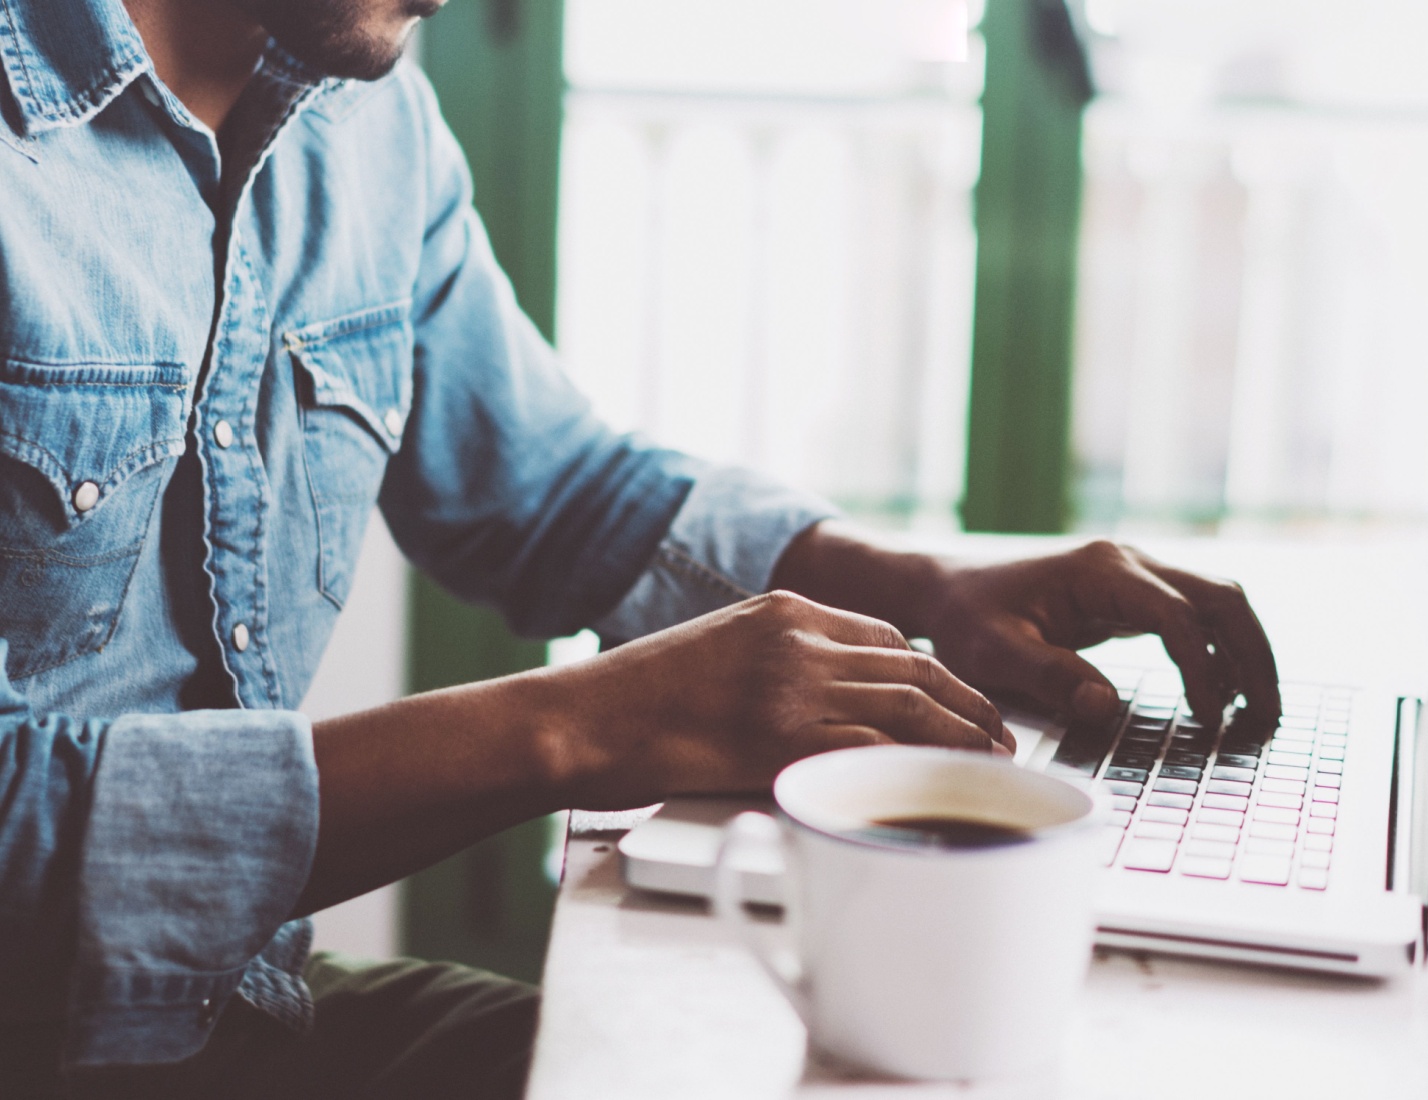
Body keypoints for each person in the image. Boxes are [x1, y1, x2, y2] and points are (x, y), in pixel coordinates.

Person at [0, 0, 1281, 1095]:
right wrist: (587, 726)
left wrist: (926, 592)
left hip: (240, 1009)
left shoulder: (365, 120)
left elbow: (555, 491)